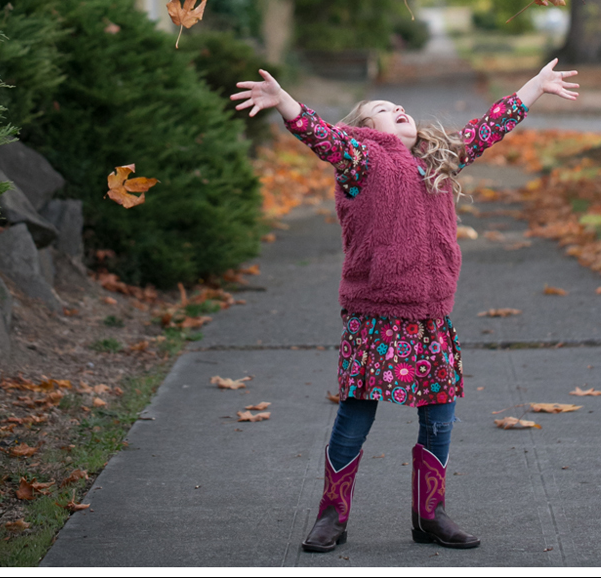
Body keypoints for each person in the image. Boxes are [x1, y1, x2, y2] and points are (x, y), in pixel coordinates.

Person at [231, 58, 578, 552]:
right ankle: (332, 514)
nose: (397, 109)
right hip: (376, 312)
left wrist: (535, 87)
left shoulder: (438, 160)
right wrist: (286, 104)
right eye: (382, 109)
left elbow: (488, 128)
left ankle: (430, 514)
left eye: (399, 106)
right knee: (356, 411)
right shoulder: (361, 160)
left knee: (440, 411)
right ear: (363, 130)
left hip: (431, 313)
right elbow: (323, 137)